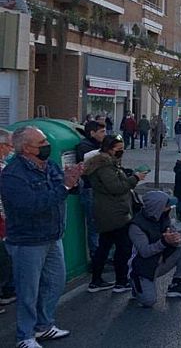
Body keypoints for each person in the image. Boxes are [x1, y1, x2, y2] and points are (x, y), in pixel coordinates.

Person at [1, 127, 83, 347]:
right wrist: (65, 186)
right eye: (41, 142)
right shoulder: (13, 175)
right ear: (26, 148)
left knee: (55, 283)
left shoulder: (49, 165)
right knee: (28, 291)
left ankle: (44, 326)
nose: (47, 145)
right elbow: (31, 205)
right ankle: (25, 336)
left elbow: (64, 188)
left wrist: (74, 180)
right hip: (27, 240)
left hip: (53, 236)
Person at [84, 135, 145, 293]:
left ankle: (96, 281)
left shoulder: (106, 164)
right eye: (119, 149)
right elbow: (116, 187)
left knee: (104, 247)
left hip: (109, 211)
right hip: (115, 212)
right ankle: (121, 281)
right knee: (122, 248)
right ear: (109, 149)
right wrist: (135, 178)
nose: (121, 151)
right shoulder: (105, 166)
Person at [129, 191, 181, 307]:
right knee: (149, 301)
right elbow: (145, 252)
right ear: (157, 207)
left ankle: (176, 284)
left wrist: (175, 239)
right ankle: (136, 283)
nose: (169, 208)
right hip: (143, 267)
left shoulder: (163, 217)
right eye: (167, 206)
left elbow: (172, 235)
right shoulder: (136, 226)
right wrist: (164, 242)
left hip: (161, 260)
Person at [75, 120, 105, 258]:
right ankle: (96, 255)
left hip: (98, 189)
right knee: (94, 224)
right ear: (92, 133)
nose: (104, 134)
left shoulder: (98, 145)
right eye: (102, 132)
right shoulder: (84, 147)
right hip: (90, 189)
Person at [0, 130, 16, 312]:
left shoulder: (4, 166)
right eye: (10, 146)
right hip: (3, 220)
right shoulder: (3, 170)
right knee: (4, 258)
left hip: (5, 219)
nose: (11, 150)